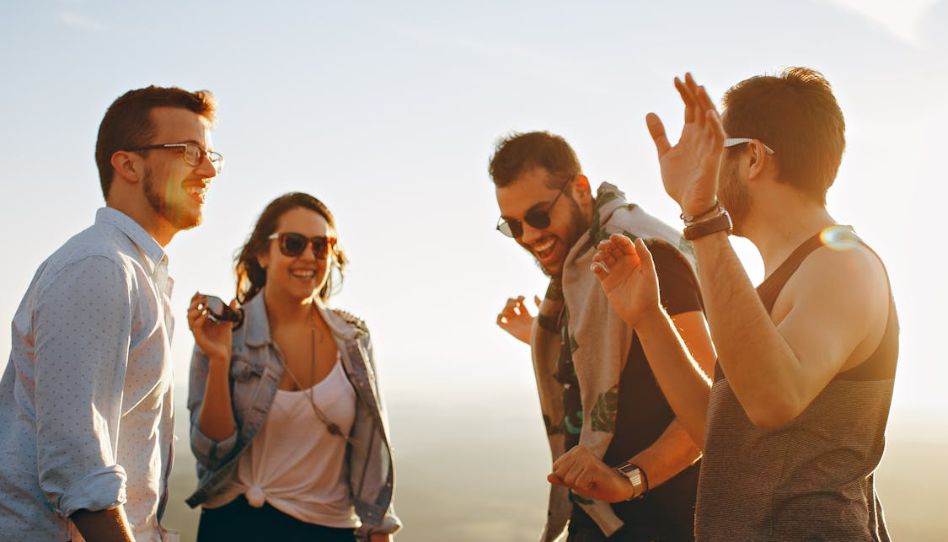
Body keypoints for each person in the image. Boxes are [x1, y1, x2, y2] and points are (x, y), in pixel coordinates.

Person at [555, 69, 898, 541]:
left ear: (753, 157)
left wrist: (700, 217)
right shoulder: (786, 279)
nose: (704, 169)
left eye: (714, 152)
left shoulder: (842, 265)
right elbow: (725, 434)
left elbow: (772, 401)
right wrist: (649, 318)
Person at [0, 86, 221, 541]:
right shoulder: (99, 267)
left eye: (211, 153)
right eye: (190, 151)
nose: (209, 169)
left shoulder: (137, 271)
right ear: (128, 164)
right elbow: (80, 470)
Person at [491, 132, 716, 541]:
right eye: (513, 225)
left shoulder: (645, 255)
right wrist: (541, 337)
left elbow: (712, 406)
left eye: (539, 216)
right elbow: (618, 359)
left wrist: (628, 480)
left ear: (579, 190)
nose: (527, 235)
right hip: (600, 516)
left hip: (660, 520)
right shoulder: (581, 272)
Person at [185, 192, 400, 542]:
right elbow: (212, 453)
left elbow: (370, 452)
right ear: (262, 253)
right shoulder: (225, 332)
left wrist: (379, 532)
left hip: (327, 531)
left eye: (322, 246)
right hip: (233, 527)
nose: (308, 257)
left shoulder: (353, 340)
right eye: (293, 243)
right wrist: (219, 358)